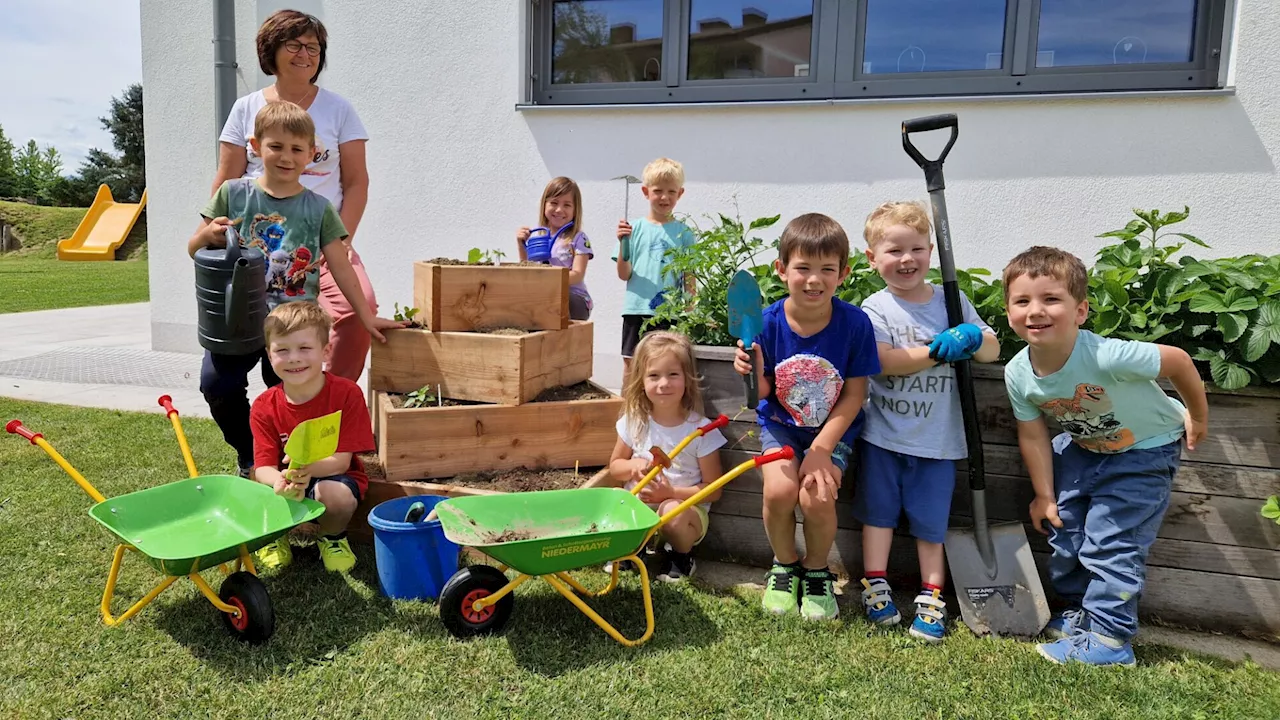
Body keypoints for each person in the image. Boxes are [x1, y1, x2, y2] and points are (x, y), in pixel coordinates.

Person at [1002, 246, 1209, 666]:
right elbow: (1033, 434)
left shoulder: (1106, 356)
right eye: (1022, 301)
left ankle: (1111, 640)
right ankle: (1082, 616)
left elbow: (1178, 361)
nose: (1035, 311)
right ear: (1008, 311)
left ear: (1080, 311)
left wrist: (1199, 417)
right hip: (1084, 450)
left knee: (1113, 544)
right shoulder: (1018, 372)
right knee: (1068, 534)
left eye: (1051, 299)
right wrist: (1044, 495)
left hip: (1144, 453)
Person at [189, 100, 401, 477]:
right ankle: (252, 457)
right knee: (217, 385)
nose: (286, 157)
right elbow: (196, 248)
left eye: (296, 149)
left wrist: (366, 317)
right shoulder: (232, 194)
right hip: (235, 322)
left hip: (292, 327)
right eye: (276, 146)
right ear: (255, 147)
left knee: (294, 400)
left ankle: (292, 468)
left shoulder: (318, 208)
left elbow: (340, 265)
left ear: (312, 155)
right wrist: (206, 235)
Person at [855, 201, 1001, 643]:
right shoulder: (875, 307)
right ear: (872, 259)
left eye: (917, 249)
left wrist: (974, 337)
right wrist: (938, 350)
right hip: (883, 436)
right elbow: (884, 362)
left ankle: (932, 595)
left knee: (930, 524)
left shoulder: (952, 301)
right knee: (877, 516)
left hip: (939, 441)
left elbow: (992, 349)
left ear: (931, 251)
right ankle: (875, 585)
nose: (906, 260)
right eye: (894, 251)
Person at [210, 9, 378, 382]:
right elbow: (226, 177)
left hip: (321, 236)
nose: (305, 54)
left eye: (314, 48)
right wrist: (214, 235)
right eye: (294, 45)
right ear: (271, 50)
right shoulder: (246, 107)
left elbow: (356, 182)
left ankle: (328, 396)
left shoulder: (339, 109)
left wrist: (342, 240)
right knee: (242, 331)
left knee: (357, 309)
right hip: (256, 239)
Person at [733, 213, 881, 621]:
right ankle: (785, 565)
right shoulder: (764, 323)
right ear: (782, 271)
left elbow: (854, 396)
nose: (814, 280)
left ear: (843, 274)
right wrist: (750, 367)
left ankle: (817, 570)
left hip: (833, 430)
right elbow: (764, 393)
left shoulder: (855, 325)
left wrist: (821, 449)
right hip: (780, 424)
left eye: (826, 270)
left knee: (815, 496)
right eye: (803, 268)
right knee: (779, 491)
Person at [248, 302, 377, 573]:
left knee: (336, 495)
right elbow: (263, 467)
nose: (294, 358)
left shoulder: (347, 394)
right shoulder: (263, 405)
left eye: (304, 348)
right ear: (269, 356)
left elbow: (341, 462)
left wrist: (303, 471)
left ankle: (331, 537)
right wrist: (280, 481)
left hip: (331, 475)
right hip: (284, 479)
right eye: (282, 350)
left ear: (326, 351)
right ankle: (273, 537)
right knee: (256, 487)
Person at [604, 331, 726, 582]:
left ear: (687, 379)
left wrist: (670, 494)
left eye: (673, 374)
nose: (664, 384)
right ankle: (632, 549)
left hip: (683, 512)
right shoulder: (634, 422)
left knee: (672, 511)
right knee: (618, 499)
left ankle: (681, 556)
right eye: (654, 375)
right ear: (641, 381)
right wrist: (633, 466)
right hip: (641, 508)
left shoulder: (700, 430)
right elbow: (615, 468)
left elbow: (714, 490)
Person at [614, 157, 696, 384]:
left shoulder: (685, 233)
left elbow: (690, 276)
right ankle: (628, 414)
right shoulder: (633, 229)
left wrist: (690, 308)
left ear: (680, 194)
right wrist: (623, 242)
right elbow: (623, 274)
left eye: (671, 191)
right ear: (645, 191)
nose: (664, 197)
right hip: (636, 309)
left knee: (668, 365)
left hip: (670, 312)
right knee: (632, 365)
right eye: (658, 190)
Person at [515, 176, 594, 320]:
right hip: (546, 296)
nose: (559, 209)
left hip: (575, 299)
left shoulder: (578, 238)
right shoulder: (538, 237)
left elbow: (577, 274)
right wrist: (521, 245)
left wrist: (550, 280)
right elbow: (527, 269)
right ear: (544, 205)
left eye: (567, 205)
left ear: (576, 210)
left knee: (553, 300)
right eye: (554, 203)